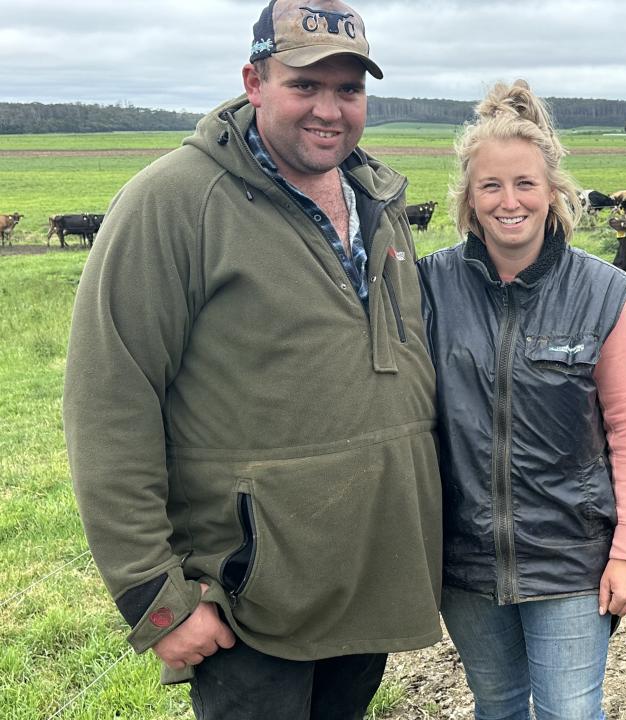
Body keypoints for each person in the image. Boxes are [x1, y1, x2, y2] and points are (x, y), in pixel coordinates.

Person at [61, 1, 442, 717]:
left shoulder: (379, 203)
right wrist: (155, 598)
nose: (329, 110)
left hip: (371, 582)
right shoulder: (174, 203)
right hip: (249, 604)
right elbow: (108, 400)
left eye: (349, 90)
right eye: (305, 85)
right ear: (255, 81)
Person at [416, 80, 626, 720]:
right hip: (466, 558)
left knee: (569, 712)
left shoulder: (600, 293)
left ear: (552, 193)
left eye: (525, 183)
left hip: (571, 557)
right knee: (496, 706)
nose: (509, 201)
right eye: (491, 186)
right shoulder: (428, 286)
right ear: (469, 199)